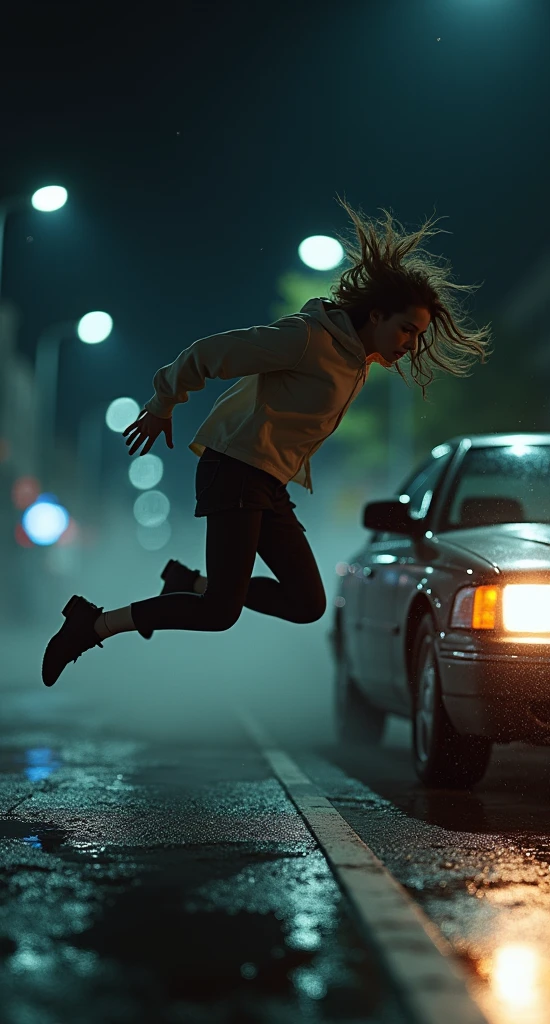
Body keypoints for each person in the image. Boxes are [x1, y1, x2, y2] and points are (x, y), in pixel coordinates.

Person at [42, 198, 490, 687]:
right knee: (219, 612)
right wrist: (164, 401)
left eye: (418, 336)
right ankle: (93, 624)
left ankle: (189, 583)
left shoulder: (357, 362)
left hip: (265, 481)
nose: (410, 343)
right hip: (234, 468)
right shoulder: (308, 338)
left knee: (307, 603)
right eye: (406, 329)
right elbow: (211, 353)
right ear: (377, 313)